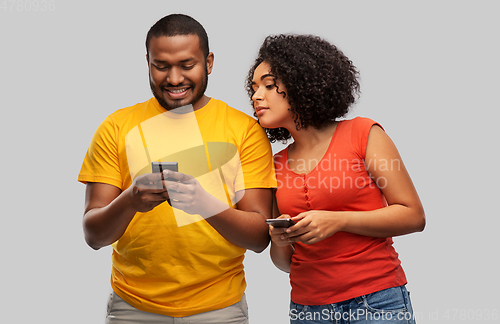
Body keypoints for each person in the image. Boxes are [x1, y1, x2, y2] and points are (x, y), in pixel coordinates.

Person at [78, 14, 276, 323]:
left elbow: (260, 237)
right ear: (147, 61)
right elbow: (93, 235)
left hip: (219, 310)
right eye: (161, 66)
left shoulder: (244, 130)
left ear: (208, 62)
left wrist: (202, 204)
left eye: (187, 65)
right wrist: (130, 200)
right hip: (132, 308)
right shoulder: (116, 127)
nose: (173, 79)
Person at [246, 34, 425, 323]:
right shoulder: (275, 164)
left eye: (268, 85)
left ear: (301, 82)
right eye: (254, 88)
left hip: (376, 301)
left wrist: (338, 220)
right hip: (307, 309)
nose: (256, 96)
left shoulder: (363, 134)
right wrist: (280, 240)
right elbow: (285, 263)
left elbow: (414, 216)